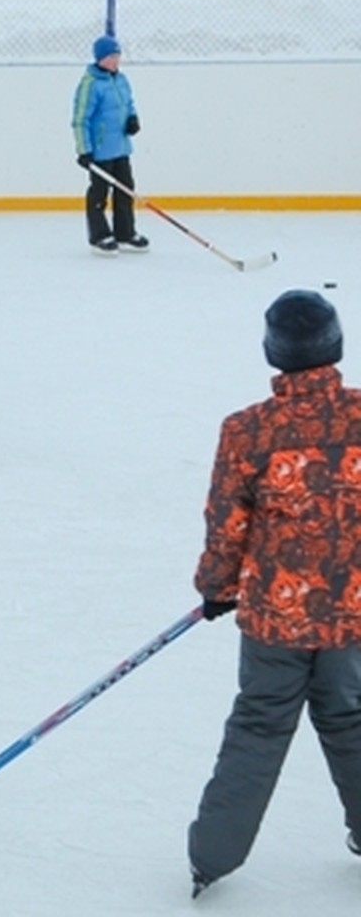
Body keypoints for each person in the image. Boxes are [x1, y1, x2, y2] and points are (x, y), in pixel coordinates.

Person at [187, 289, 361, 897]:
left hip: (275, 620)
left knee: (259, 726)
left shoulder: (248, 431)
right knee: (350, 716)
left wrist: (216, 588)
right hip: (352, 615)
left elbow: (227, 525)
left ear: (274, 353)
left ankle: (212, 855)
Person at [71, 33, 147, 257]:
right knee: (99, 194)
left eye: (117, 56)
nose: (115, 61)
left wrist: (133, 119)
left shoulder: (121, 80)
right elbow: (80, 119)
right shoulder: (90, 84)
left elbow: (128, 103)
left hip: (121, 147)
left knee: (125, 189)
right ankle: (100, 236)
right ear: (100, 58)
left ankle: (125, 233)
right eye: (111, 57)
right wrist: (83, 150)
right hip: (101, 151)